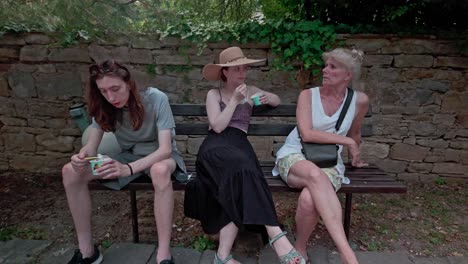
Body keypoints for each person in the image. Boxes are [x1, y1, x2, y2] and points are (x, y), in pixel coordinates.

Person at [184, 47, 306, 264]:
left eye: (244, 68)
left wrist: (267, 97)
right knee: (243, 169)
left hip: (240, 145)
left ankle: (222, 257)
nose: (242, 73)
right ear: (225, 73)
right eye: (236, 69)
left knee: (240, 176)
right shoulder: (214, 94)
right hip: (215, 148)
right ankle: (276, 235)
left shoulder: (250, 90)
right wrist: (234, 101)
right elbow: (218, 127)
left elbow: (277, 100)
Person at [62, 60, 186, 264]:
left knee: (160, 171)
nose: (110, 97)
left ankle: (163, 254)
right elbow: (91, 146)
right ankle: (87, 251)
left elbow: (165, 149)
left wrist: (127, 169)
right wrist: (82, 157)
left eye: (115, 89)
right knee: (70, 172)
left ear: (129, 83)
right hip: (129, 156)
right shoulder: (104, 105)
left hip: (160, 156)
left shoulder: (156, 98)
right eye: (103, 91)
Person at [273, 48, 368, 264]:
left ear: (348, 75)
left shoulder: (359, 101)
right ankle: (348, 255)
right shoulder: (307, 95)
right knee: (315, 176)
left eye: (332, 67)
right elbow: (306, 133)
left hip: (329, 162)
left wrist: (356, 155)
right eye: (326, 65)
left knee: (309, 200)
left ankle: (300, 248)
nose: (325, 70)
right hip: (295, 155)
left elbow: (355, 131)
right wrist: (347, 142)